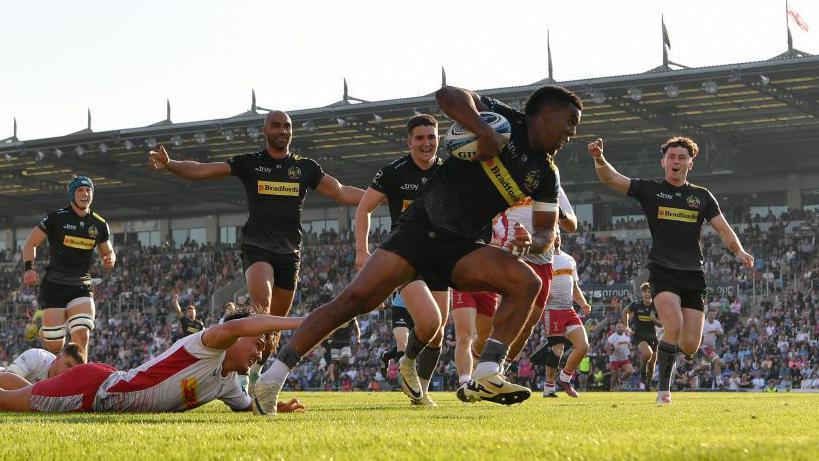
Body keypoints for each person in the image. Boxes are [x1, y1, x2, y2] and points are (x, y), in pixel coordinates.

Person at [252, 84, 583, 415]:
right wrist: (485, 132)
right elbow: (448, 94)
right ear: (548, 114)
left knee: (527, 283)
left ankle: (487, 372)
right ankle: (272, 378)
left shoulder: (546, 174)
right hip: (421, 229)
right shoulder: (506, 120)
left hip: (464, 246)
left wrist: (530, 243)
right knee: (353, 302)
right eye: (570, 122)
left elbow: (545, 230)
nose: (572, 133)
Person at [148, 110, 364, 386]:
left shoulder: (305, 167)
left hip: (290, 253)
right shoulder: (251, 163)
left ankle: (256, 373)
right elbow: (203, 170)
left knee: (273, 329)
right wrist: (170, 164)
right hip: (257, 246)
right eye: (276, 125)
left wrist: (384, 196)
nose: (282, 130)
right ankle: (240, 378)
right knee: (262, 307)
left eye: (287, 126)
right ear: (265, 131)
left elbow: (343, 191)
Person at [587, 136, 754, 405]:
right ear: (663, 161)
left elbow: (723, 229)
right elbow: (612, 179)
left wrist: (740, 251)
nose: (676, 161)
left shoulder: (701, 196)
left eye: (681, 157)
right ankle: (664, 391)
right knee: (673, 325)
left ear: (690, 163)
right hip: (663, 270)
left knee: (690, 345)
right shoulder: (652, 190)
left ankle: (671, 348)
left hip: (693, 275)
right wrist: (599, 158)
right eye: (671, 157)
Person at [0, 308, 305, 414]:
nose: (259, 353)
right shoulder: (207, 345)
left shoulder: (227, 384)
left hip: (105, 386)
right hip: (95, 389)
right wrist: (300, 322)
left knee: (16, 395)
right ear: (238, 337)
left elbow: (249, 405)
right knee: (7, 402)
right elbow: (234, 326)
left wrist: (277, 406)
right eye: (258, 343)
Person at [355, 114, 449, 405]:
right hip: (405, 257)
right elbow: (363, 209)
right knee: (428, 321)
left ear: (438, 138)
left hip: (440, 258)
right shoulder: (393, 172)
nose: (426, 143)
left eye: (431, 137)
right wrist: (361, 251)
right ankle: (407, 360)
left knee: (437, 334)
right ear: (409, 141)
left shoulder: (449, 172)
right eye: (419, 138)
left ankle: (419, 393)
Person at [21, 176, 116, 359]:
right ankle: (44, 333)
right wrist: (29, 269)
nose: (85, 194)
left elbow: (108, 250)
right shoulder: (56, 218)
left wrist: (109, 258)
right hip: (54, 286)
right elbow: (30, 243)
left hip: (81, 285)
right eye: (80, 190)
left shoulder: (99, 223)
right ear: (73, 194)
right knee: (56, 343)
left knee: (82, 333)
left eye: (88, 190)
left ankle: (81, 382)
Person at [540, 232, 591, 398]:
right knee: (557, 349)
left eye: (558, 235)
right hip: (552, 310)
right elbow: (538, 283)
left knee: (583, 346)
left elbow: (575, 287)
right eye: (553, 235)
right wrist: (543, 294)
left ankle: (565, 377)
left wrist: (583, 303)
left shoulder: (569, 260)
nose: (556, 237)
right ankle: (549, 388)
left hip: (569, 309)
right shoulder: (543, 259)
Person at [622, 282, 661, 390]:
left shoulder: (657, 306)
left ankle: (647, 384)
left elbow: (662, 324)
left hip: (653, 337)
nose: (647, 294)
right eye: (645, 292)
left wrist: (655, 320)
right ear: (642, 294)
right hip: (639, 336)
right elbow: (625, 311)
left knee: (652, 363)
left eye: (649, 292)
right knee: (647, 353)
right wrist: (626, 327)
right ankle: (642, 370)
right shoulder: (636, 305)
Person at [0, 343, 85, 389]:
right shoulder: (36, 356)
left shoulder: (70, 381)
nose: (69, 372)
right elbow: (6, 380)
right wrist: (39, 395)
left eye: (73, 370)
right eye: (68, 365)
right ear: (58, 357)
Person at [697, 309, 725, 386]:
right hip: (704, 347)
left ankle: (690, 374)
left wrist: (717, 332)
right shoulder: (703, 323)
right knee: (717, 359)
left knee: (704, 366)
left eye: (714, 314)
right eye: (711, 314)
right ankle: (719, 382)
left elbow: (722, 332)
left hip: (712, 348)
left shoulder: (717, 323)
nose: (712, 316)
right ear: (707, 315)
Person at [606, 322, 633, 391]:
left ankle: (620, 381)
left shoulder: (627, 336)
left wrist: (631, 350)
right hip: (615, 359)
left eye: (621, 327)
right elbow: (607, 349)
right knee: (615, 376)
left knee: (629, 371)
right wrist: (612, 348)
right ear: (616, 328)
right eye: (618, 327)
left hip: (624, 358)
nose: (620, 328)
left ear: (623, 328)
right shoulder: (612, 337)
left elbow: (629, 345)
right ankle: (612, 389)